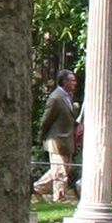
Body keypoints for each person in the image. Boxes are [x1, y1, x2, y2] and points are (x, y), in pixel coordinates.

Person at [32, 70, 79, 201]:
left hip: (67, 140)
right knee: (60, 171)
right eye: (72, 80)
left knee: (64, 169)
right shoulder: (55, 98)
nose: (75, 83)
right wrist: (42, 136)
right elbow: (46, 119)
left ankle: (37, 188)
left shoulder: (68, 96)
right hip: (56, 140)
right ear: (65, 82)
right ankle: (59, 198)